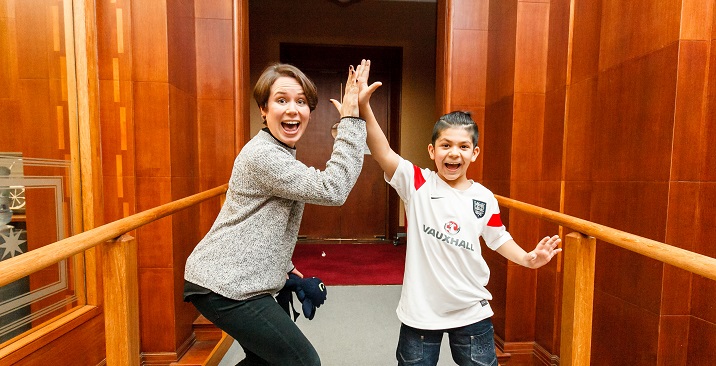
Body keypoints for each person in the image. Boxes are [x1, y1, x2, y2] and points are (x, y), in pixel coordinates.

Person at [338, 62, 562, 366]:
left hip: (471, 309)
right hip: (421, 312)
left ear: (474, 153)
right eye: (445, 145)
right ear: (432, 151)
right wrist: (364, 107)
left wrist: (526, 258)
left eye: (462, 146)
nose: (453, 153)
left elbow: (497, 238)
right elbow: (383, 151)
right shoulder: (417, 183)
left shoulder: (483, 198)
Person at [183, 60, 372, 366]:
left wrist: (284, 264)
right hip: (225, 286)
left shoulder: (277, 151)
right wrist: (350, 119)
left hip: (235, 281)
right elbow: (332, 189)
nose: (292, 109)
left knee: (265, 362)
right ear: (263, 109)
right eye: (281, 100)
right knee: (303, 361)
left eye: (301, 102)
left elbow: (264, 219)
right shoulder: (264, 155)